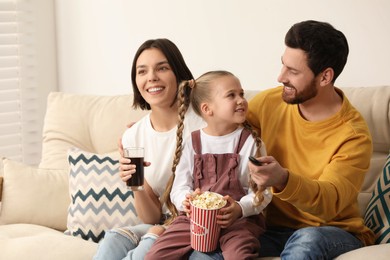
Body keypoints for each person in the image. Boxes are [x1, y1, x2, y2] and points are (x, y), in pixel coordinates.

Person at [246, 20, 375, 259]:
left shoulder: (353, 134)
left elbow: (329, 202)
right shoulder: (269, 103)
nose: (280, 77)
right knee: (221, 242)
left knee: (307, 240)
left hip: (332, 232)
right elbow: (223, 130)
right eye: (283, 65)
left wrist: (283, 179)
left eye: (293, 72)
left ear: (325, 76)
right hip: (273, 229)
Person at [93, 38, 205, 260]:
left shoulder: (205, 124)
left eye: (162, 68)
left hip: (194, 227)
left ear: (179, 74)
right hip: (162, 224)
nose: (151, 77)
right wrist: (136, 183)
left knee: (148, 248)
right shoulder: (133, 136)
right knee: (112, 240)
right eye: (142, 71)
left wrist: (162, 230)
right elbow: (150, 218)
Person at [144, 70, 272, 260]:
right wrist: (186, 201)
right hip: (194, 220)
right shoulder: (193, 142)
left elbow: (264, 192)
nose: (241, 100)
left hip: (238, 222)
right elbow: (179, 186)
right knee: (155, 255)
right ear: (207, 109)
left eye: (242, 94)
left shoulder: (251, 142)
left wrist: (239, 208)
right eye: (231, 95)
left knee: (238, 255)